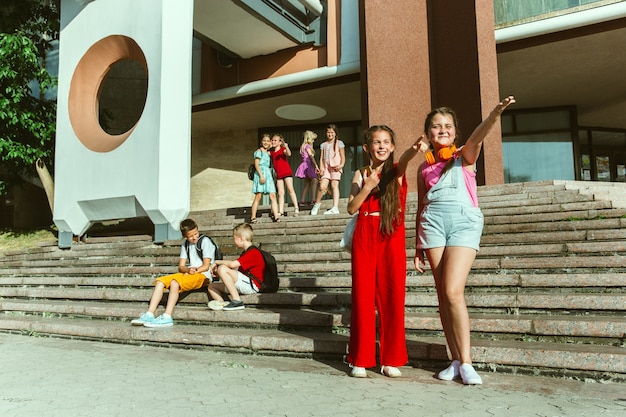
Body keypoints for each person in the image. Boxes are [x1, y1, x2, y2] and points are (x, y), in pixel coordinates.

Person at [414, 96, 516, 385]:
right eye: (435, 126)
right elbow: (421, 205)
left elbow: (479, 135)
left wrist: (496, 113)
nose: (442, 130)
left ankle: (468, 362)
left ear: (455, 132)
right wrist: (417, 247)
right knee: (442, 296)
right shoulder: (424, 168)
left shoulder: (465, 154)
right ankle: (455, 359)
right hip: (432, 224)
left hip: (463, 223)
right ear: (428, 133)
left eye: (447, 126)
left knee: (452, 290)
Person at [346, 125, 429, 378]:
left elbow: (403, 161)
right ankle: (360, 359)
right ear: (366, 147)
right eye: (376, 142)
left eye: (386, 142)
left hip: (391, 234)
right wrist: (367, 186)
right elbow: (351, 208)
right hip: (365, 233)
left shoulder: (397, 171)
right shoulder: (360, 174)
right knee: (362, 295)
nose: (381, 146)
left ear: (392, 146)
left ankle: (390, 359)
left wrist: (412, 151)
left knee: (392, 296)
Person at [131, 218, 216, 327]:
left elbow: (206, 266)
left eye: (196, 233)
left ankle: (167, 316)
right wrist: (188, 270)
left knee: (174, 283)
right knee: (160, 281)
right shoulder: (185, 244)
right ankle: (149, 314)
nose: (194, 237)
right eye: (190, 236)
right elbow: (180, 267)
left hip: (204, 275)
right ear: (185, 236)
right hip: (190, 273)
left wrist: (193, 272)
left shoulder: (205, 241)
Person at [207, 223, 265, 311]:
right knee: (212, 286)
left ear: (241, 239)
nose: (233, 241)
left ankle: (237, 301)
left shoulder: (254, 252)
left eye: (234, 238)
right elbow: (235, 274)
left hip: (252, 285)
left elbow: (232, 265)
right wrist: (218, 274)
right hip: (245, 284)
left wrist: (216, 262)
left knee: (222, 268)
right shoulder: (246, 253)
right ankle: (222, 303)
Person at [310, 124, 345, 215]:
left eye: (332, 132)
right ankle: (317, 204)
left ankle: (335, 207)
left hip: (335, 167)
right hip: (326, 167)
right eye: (328, 132)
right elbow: (321, 158)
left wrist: (341, 165)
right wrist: (321, 168)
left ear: (335, 133)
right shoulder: (323, 145)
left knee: (334, 186)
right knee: (322, 186)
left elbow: (342, 156)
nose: (330, 134)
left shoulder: (339, 143)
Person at [250, 134, 280, 223]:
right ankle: (253, 217)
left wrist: (271, 143)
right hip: (260, 173)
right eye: (264, 141)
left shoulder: (268, 152)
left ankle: (276, 216)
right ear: (261, 142)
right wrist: (261, 176)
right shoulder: (259, 151)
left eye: (268, 141)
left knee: (273, 195)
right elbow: (256, 164)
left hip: (268, 173)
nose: (266, 142)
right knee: (258, 196)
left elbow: (272, 146)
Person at [270, 134, 300, 217]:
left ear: (280, 142)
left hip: (286, 172)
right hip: (279, 174)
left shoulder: (283, 150)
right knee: (280, 193)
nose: (273, 142)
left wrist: (286, 147)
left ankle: (296, 208)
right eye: (272, 140)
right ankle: (281, 211)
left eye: (275, 140)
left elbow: (288, 153)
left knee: (290, 189)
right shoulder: (272, 152)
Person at [294, 130, 319, 205]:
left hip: (304, 164)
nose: (313, 141)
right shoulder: (307, 146)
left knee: (307, 183)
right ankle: (314, 199)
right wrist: (316, 166)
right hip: (308, 165)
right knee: (315, 180)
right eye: (313, 139)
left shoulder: (302, 146)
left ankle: (302, 200)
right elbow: (311, 157)